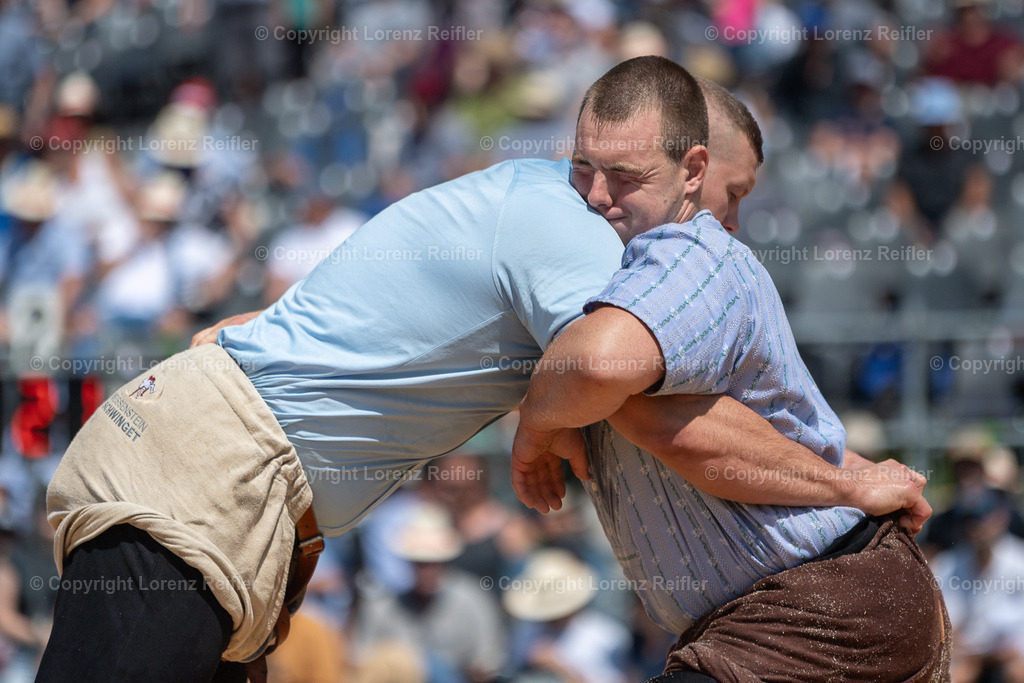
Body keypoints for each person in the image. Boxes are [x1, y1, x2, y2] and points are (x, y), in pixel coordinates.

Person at [41, 56, 927, 681]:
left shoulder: (536, 204)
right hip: (205, 486)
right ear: (697, 163)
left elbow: (235, 331)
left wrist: (549, 424)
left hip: (213, 479)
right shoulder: (587, 226)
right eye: (733, 199)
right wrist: (849, 480)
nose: (727, 232)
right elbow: (642, 408)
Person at [511, 58, 949, 681]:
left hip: (810, 614)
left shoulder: (697, 249)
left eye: (624, 174)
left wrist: (535, 424)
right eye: (734, 191)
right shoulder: (624, 262)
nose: (732, 219)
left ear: (688, 171)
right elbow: (726, 424)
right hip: (813, 608)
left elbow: (607, 377)